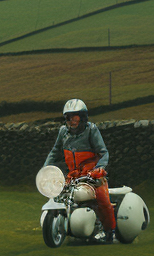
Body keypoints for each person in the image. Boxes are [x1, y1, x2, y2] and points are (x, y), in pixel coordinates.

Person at [43, 98, 117, 242]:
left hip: (92, 175)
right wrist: (46, 168)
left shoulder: (91, 130)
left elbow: (104, 153)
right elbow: (55, 151)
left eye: (75, 116)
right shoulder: (63, 132)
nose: (71, 120)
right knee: (58, 194)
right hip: (73, 176)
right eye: (68, 117)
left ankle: (109, 231)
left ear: (82, 117)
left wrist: (98, 169)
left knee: (102, 199)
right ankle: (66, 224)